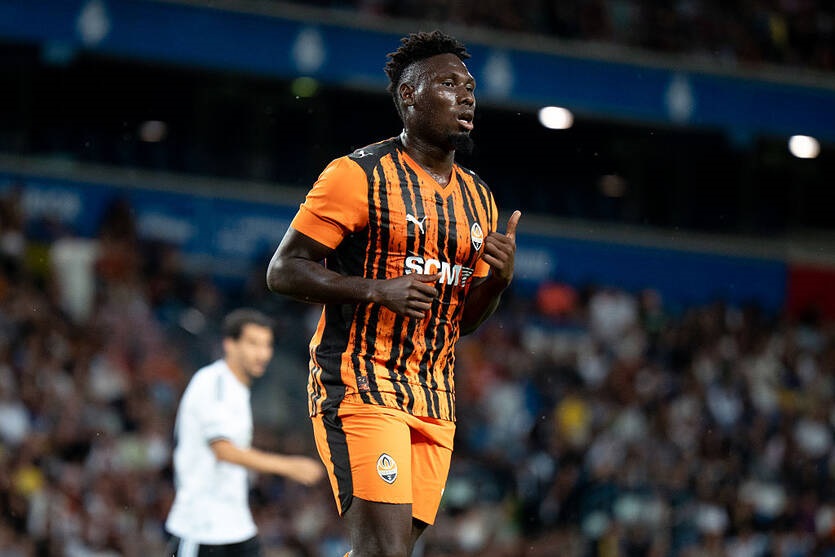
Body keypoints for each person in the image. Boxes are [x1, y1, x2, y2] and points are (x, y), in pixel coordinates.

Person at [266, 30, 521, 557]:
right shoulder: (356, 175)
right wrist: (376, 290)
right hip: (361, 381)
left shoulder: (480, 199)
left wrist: (496, 282)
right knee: (385, 553)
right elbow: (283, 270)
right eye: (448, 85)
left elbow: (463, 322)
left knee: (387, 552)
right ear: (409, 96)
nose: (466, 96)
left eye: (470, 87)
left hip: (435, 398)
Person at [165, 308, 324, 557]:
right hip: (202, 525)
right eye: (253, 344)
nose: (262, 353)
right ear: (229, 344)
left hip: (235, 525)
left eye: (267, 345)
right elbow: (223, 450)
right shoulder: (214, 382)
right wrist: (290, 466)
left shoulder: (237, 389)